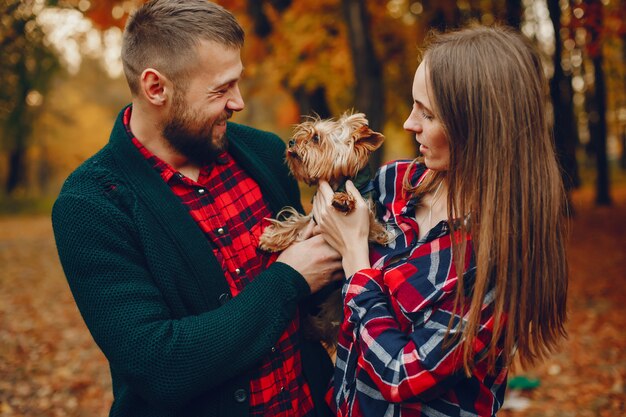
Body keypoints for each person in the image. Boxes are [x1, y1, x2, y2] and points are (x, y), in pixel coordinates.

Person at [51, 1, 342, 416]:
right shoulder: (91, 205)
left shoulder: (264, 153)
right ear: (156, 88)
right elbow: (160, 365)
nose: (237, 102)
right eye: (221, 89)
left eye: (237, 83)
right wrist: (289, 278)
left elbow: (320, 293)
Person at [312, 25, 569, 417]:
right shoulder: (395, 184)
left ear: (477, 127)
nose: (408, 125)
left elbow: (403, 375)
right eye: (414, 105)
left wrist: (354, 256)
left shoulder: (500, 256)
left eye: (427, 113)